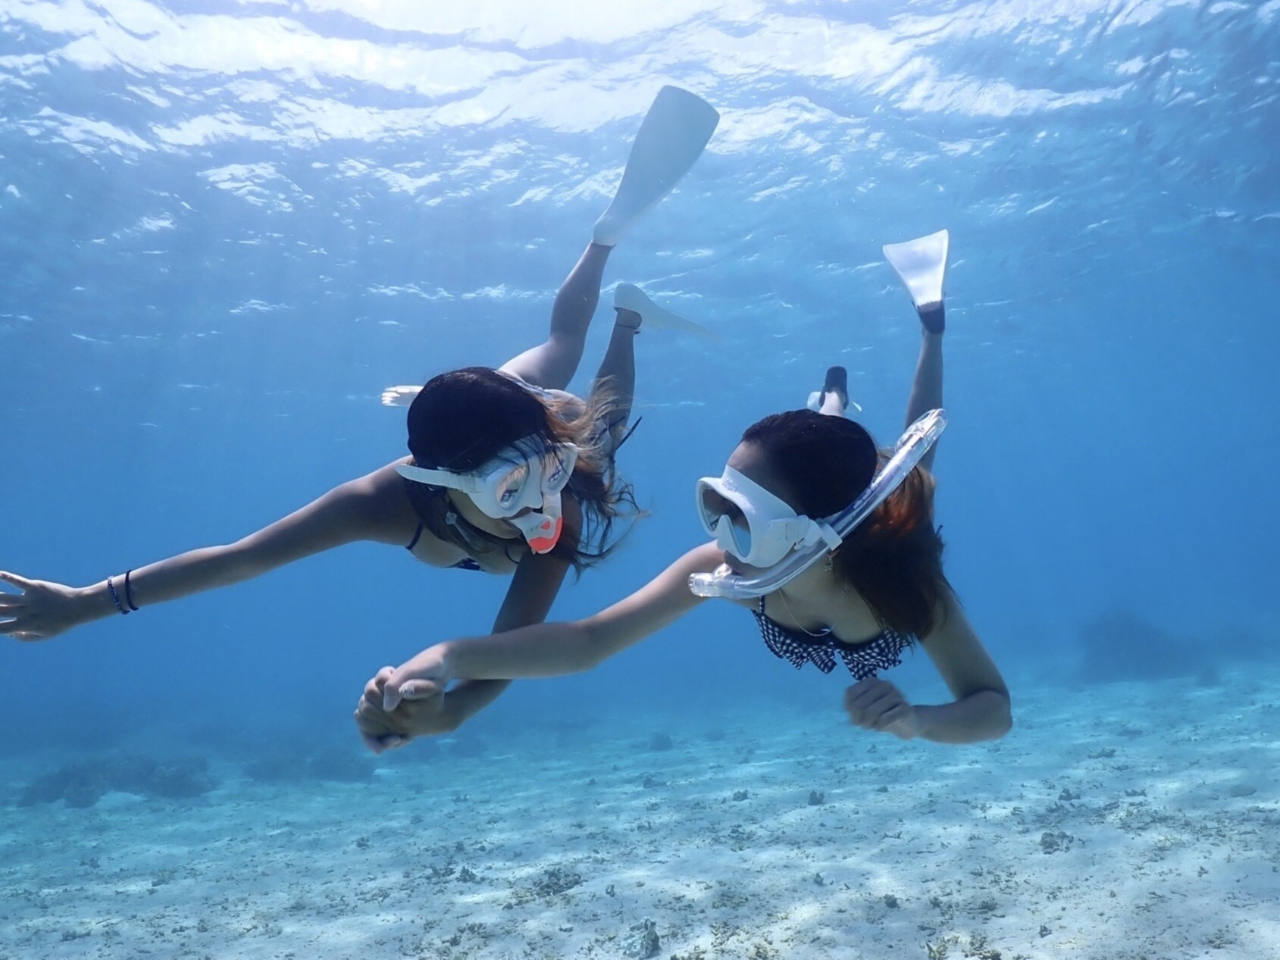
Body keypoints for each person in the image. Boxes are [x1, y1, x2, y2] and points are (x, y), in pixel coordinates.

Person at [1, 86, 721, 738]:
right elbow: (240, 561)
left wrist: (557, 454)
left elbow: (517, 647)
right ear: (437, 484)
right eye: (512, 490)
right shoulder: (380, 505)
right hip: (491, 423)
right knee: (573, 402)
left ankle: (609, 258)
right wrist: (83, 603)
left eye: (547, 474)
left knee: (592, 411)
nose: (544, 503)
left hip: (526, 411)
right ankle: (625, 313)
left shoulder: (551, 478)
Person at [355, 230, 1012, 750]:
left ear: (816, 536)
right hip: (825, 508)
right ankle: (828, 408)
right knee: (831, 435)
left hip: (876, 528)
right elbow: (588, 643)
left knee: (917, 460)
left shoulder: (904, 583)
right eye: (717, 504)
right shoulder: (727, 563)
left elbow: (993, 710)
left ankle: (930, 326)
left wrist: (919, 721)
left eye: (742, 517)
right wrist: (444, 658)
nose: (721, 543)